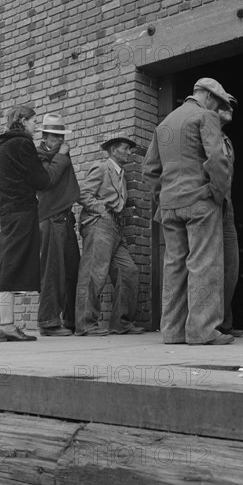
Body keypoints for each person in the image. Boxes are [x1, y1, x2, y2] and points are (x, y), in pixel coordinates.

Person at [142, 77, 236, 345]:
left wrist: (164, 197)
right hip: (200, 202)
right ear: (207, 96)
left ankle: (171, 332)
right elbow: (216, 160)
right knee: (204, 264)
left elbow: (149, 170)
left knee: (174, 266)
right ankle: (202, 331)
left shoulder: (164, 124)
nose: (218, 108)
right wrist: (217, 195)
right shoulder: (205, 116)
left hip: (171, 207)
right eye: (218, 102)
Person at [0, 105, 70, 342]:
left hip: (7, 211)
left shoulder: (3, 145)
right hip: (23, 210)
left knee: (3, 265)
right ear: (22, 121)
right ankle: (7, 325)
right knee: (13, 266)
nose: (36, 127)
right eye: (34, 121)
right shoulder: (23, 144)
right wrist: (60, 158)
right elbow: (42, 180)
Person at [75, 136, 143, 336]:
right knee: (93, 274)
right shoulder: (102, 167)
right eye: (125, 149)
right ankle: (85, 324)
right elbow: (83, 194)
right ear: (113, 150)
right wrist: (102, 211)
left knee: (128, 271)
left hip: (115, 228)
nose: (129, 153)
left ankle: (121, 323)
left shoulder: (121, 174)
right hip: (99, 225)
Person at [36, 114, 80, 336]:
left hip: (65, 219)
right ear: (45, 137)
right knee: (52, 271)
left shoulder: (58, 154)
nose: (61, 141)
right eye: (56, 137)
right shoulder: (39, 154)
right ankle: (48, 322)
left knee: (72, 270)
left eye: (62, 137)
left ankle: (71, 320)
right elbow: (48, 178)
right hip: (51, 218)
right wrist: (62, 156)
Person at [217, 98, 243, 338]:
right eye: (226, 104)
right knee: (209, 266)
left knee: (231, 265)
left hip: (227, 205)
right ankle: (209, 324)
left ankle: (224, 322)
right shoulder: (202, 133)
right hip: (210, 204)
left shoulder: (226, 140)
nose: (231, 108)